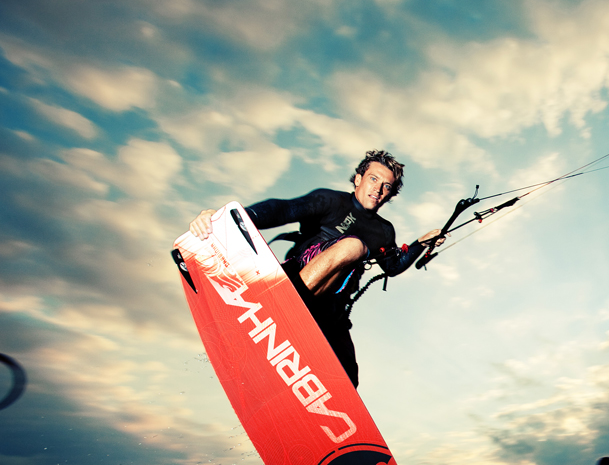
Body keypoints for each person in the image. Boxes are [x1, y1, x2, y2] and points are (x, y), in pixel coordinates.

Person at [188, 149, 444, 387]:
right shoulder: (331, 201)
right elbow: (284, 209)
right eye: (373, 179)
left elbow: (392, 266)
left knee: (346, 380)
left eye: (386, 186)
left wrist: (421, 243)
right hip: (296, 279)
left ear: (390, 194)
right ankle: (283, 308)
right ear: (358, 179)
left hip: (329, 307)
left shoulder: (384, 231)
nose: (378, 189)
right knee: (352, 247)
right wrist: (228, 218)